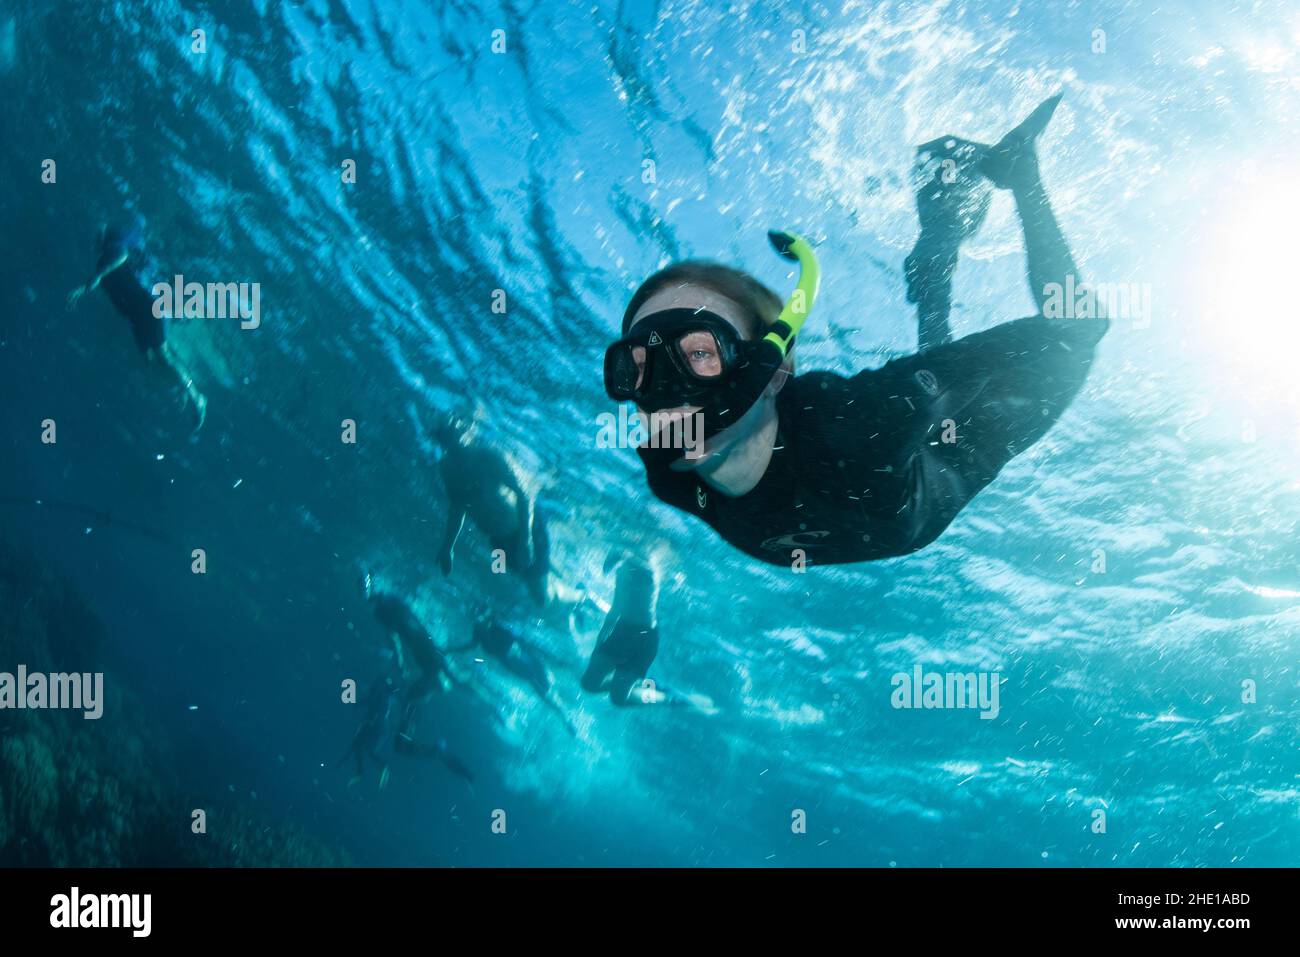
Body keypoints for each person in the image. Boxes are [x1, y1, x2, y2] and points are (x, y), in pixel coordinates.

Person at [603, 94, 1107, 567]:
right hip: (901, 460)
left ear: (775, 369)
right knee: (937, 375)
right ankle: (932, 269)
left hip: (958, 447)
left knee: (1078, 325)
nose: (668, 397)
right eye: (639, 369)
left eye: (699, 353)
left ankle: (1019, 171)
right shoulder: (667, 470)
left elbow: (960, 372)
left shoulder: (850, 421)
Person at [66, 220, 207, 430]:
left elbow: (121, 255)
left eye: (97, 236)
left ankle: (197, 396)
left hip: (148, 308)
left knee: (163, 354)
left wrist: (94, 279)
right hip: (136, 319)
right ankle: (181, 386)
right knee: (151, 364)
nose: (93, 240)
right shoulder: (102, 262)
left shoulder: (112, 252)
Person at [434, 411, 550, 606]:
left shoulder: (489, 457)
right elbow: (457, 508)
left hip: (526, 525)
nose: (444, 440)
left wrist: (525, 540)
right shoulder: (446, 469)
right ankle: (552, 576)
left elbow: (524, 495)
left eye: (447, 433)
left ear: (464, 429)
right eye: (440, 435)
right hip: (498, 539)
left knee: (539, 597)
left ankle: (573, 594)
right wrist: (448, 547)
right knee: (517, 578)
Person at [581, 550, 698, 708]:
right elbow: (615, 610)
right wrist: (598, 645)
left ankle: (670, 698)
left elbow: (645, 569)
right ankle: (635, 683)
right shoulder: (622, 571)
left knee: (618, 700)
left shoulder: (650, 569)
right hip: (621, 631)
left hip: (643, 639)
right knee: (589, 684)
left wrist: (622, 554)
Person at [447, 610, 576, 734]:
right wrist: (450, 649)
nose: (478, 622)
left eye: (480, 618)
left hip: (522, 658)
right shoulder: (479, 632)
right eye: (475, 619)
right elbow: (470, 646)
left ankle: (564, 710)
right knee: (541, 688)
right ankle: (564, 716)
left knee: (544, 685)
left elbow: (520, 639)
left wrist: (546, 656)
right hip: (515, 664)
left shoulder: (497, 627)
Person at [362, 572, 460, 732]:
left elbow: (396, 637)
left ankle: (406, 729)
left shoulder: (383, 608)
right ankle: (407, 728)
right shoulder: (389, 602)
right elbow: (406, 627)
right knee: (444, 678)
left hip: (423, 647)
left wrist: (400, 663)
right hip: (424, 645)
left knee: (424, 689)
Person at [341, 675, 473, 788]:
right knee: (398, 745)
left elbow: (405, 700)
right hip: (407, 714)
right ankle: (439, 753)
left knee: (400, 745)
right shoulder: (403, 695)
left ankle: (439, 752)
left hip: (408, 714)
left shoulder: (407, 696)